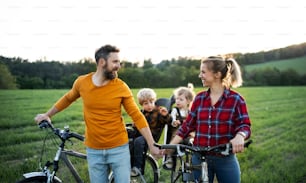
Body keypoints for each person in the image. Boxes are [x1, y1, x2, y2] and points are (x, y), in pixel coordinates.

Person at [34, 45, 161, 183]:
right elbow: (68, 98)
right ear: (102, 62)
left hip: (119, 149)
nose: (119, 66)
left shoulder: (121, 87)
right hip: (94, 151)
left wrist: (151, 143)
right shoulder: (82, 83)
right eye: (115, 62)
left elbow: (137, 116)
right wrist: (48, 114)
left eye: (119, 62)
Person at [167, 56, 251, 183]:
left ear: (217, 74)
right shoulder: (199, 98)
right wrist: (171, 146)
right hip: (199, 158)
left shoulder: (236, 100)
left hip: (225, 159)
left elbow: (244, 125)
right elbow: (187, 126)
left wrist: (240, 136)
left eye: (203, 72)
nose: (200, 75)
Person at [131, 88, 172, 176]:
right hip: (140, 135)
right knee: (129, 136)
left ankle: (138, 167)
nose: (149, 105)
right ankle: (128, 163)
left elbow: (168, 122)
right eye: (146, 103)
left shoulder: (158, 112)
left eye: (151, 102)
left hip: (152, 138)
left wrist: (166, 116)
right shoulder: (141, 113)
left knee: (139, 141)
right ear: (141, 104)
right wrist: (135, 125)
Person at [164, 85, 196, 169]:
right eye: (177, 99)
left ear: (188, 101)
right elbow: (172, 118)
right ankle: (169, 157)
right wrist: (174, 122)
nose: (177, 101)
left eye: (181, 99)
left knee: (193, 141)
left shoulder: (189, 111)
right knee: (174, 140)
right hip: (177, 132)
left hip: (188, 133)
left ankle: (193, 160)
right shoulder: (175, 110)